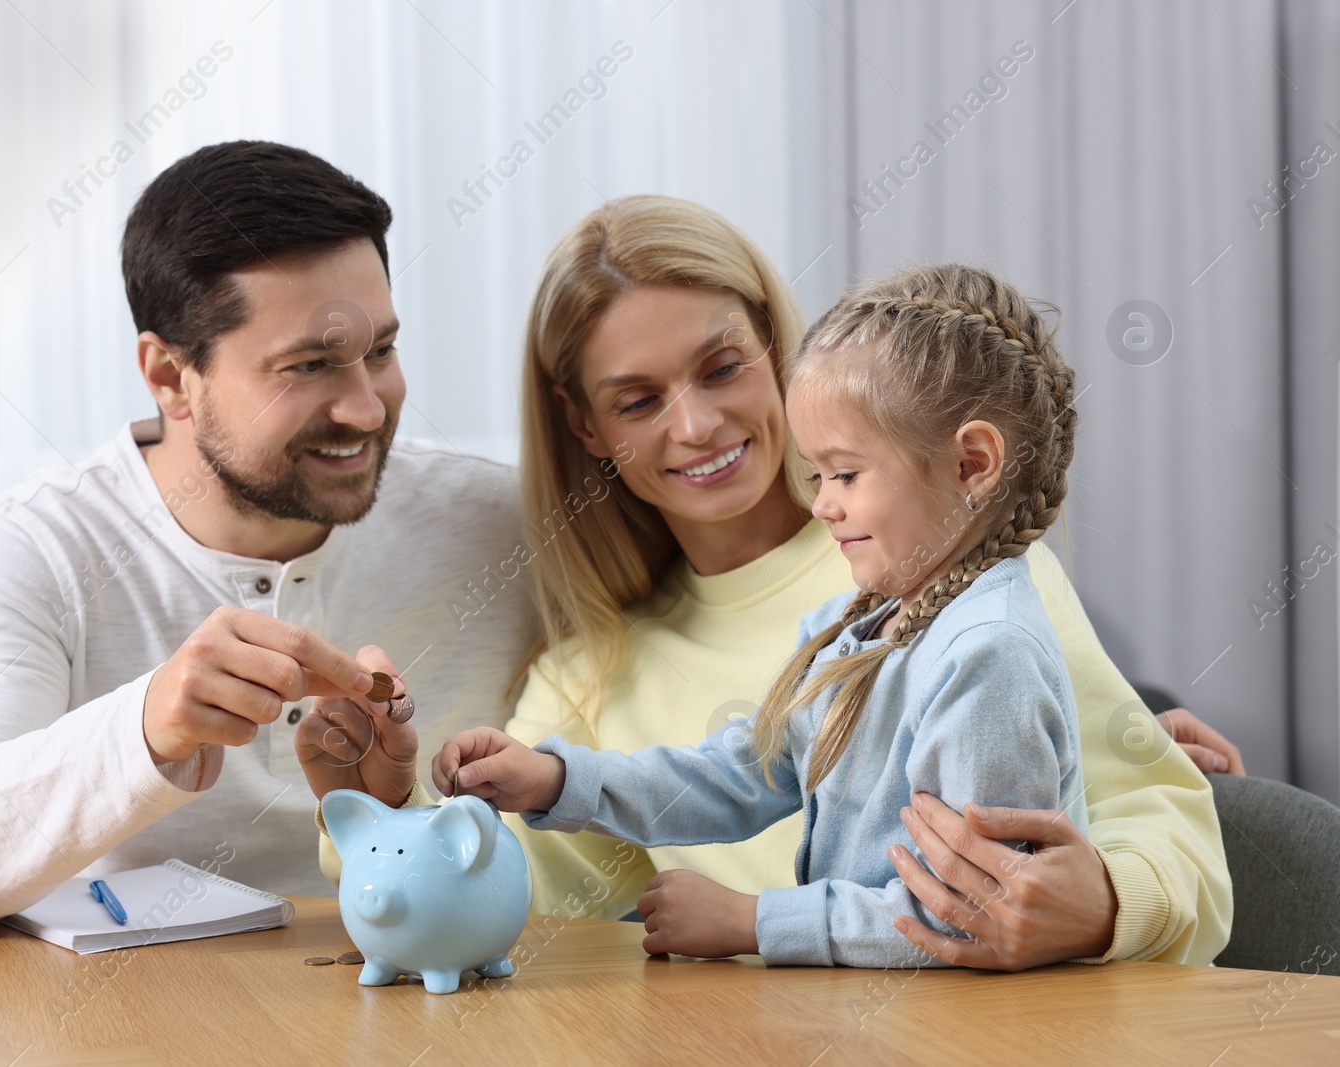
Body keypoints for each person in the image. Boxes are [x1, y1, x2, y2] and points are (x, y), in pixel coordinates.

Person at [303, 196, 1233, 970]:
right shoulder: (604, 673)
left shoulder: (968, 574)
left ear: (777, 353)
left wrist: (1102, 905)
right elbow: (482, 912)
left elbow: (1173, 834)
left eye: (723, 367)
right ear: (586, 428)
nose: (698, 424)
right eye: (637, 400)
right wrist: (383, 804)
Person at [0, 141, 537, 933]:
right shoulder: (26, 549)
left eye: (382, 351)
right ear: (168, 376)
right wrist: (147, 723)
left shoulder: (507, 521)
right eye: (308, 366)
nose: (366, 408)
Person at [433, 262, 1087, 965]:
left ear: (972, 465)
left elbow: (965, 916)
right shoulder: (856, 625)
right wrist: (560, 780)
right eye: (816, 475)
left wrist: (754, 921)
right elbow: (747, 770)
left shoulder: (988, 654)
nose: (823, 504)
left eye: (845, 473)